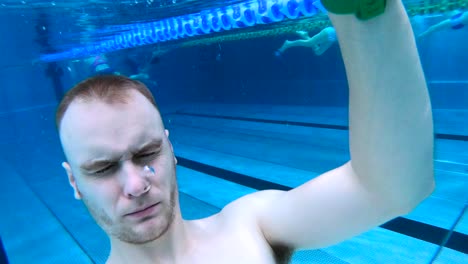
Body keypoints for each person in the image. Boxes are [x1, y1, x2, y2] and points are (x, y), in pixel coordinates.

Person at [55, 0, 435, 263]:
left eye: (147, 153)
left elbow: (391, 189)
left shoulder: (250, 228)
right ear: (73, 181)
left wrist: (365, 15)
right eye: (103, 168)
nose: (136, 184)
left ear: (170, 150)